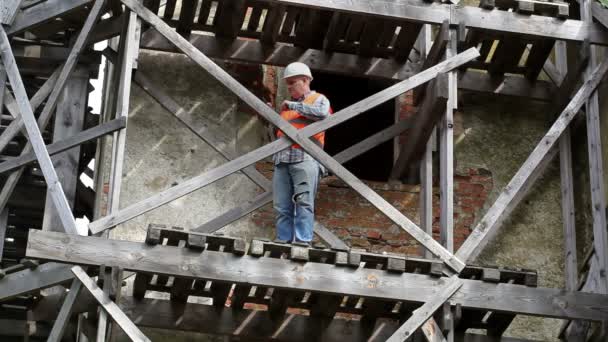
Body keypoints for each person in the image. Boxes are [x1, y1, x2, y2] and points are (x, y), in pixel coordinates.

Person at [272, 62, 331, 244]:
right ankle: (284, 241)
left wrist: (292, 106)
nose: (289, 87)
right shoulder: (287, 109)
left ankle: (302, 242)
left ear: (305, 80)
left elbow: (322, 113)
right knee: (281, 205)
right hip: (282, 160)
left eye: (292, 82)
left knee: (304, 202)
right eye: (287, 83)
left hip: (305, 158)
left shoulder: (318, 99)